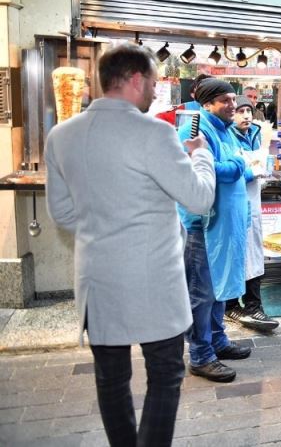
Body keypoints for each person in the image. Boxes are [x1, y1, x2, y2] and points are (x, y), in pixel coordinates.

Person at [45, 44, 216, 446]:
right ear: (136, 79)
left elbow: (63, 215)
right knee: (166, 374)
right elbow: (199, 198)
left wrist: (102, 226)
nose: (156, 92)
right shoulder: (154, 132)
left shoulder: (62, 136)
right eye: (154, 83)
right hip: (154, 280)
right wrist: (201, 157)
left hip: (97, 281)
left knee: (111, 380)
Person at [178, 78, 253, 383]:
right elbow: (206, 169)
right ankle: (200, 355)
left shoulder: (226, 130)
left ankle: (217, 340)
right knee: (202, 292)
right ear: (207, 103)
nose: (233, 106)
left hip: (225, 225)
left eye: (233, 100)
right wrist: (237, 165)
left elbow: (242, 167)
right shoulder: (194, 129)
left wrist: (240, 165)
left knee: (219, 287)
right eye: (225, 100)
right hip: (202, 227)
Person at [226, 95, 280, 332]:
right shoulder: (226, 136)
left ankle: (253, 305)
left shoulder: (257, 134)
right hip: (234, 205)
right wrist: (251, 173)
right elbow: (228, 172)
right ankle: (230, 305)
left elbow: (262, 162)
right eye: (240, 111)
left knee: (254, 254)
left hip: (253, 204)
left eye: (249, 110)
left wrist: (263, 170)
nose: (246, 115)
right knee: (235, 255)